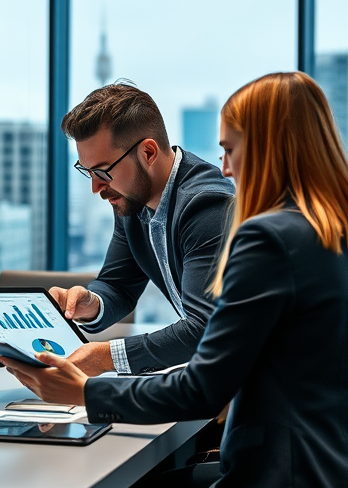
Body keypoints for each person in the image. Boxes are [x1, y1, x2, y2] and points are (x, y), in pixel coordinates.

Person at [3, 72, 348, 488]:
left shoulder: (265, 236)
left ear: (273, 149)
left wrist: (83, 394)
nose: (226, 169)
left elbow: (203, 388)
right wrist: (94, 310)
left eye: (232, 150)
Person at [57, 83, 234, 377]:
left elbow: (205, 328)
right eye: (88, 173)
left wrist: (105, 357)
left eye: (102, 172)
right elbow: (118, 286)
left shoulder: (207, 206)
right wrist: (91, 303)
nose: (96, 187)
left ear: (148, 152)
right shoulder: (131, 198)